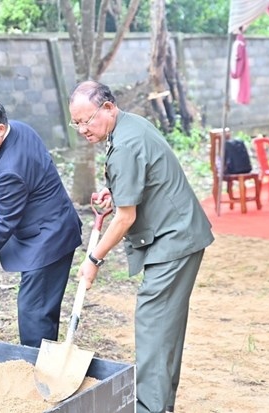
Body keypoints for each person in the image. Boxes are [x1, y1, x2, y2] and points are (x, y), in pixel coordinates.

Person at [68, 80, 214, 413]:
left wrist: (94, 258)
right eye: (76, 122)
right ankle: (160, 404)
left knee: (153, 324)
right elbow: (138, 182)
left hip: (174, 239)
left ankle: (150, 407)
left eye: (87, 120)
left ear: (108, 107)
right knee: (164, 327)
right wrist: (115, 192)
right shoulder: (128, 125)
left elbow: (124, 218)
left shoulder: (126, 144)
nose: (82, 129)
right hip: (176, 233)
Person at [0, 95, 82, 348]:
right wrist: (1, 199)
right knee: (42, 305)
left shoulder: (8, 170)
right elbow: (33, 176)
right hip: (57, 222)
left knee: (33, 311)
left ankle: (37, 367)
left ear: (0, 129)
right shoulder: (22, 129)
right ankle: (45, 357)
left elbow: (3, 225)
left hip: (47, 239)